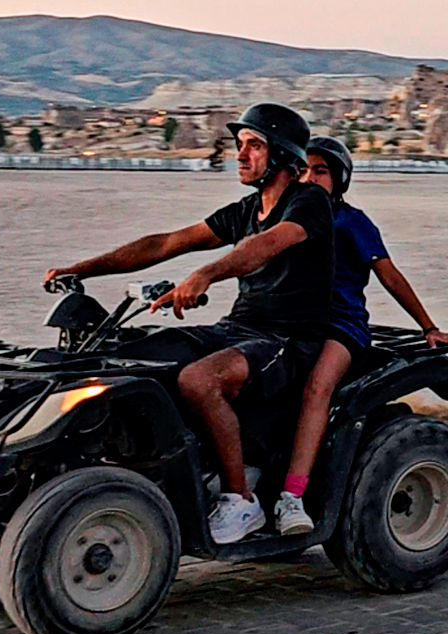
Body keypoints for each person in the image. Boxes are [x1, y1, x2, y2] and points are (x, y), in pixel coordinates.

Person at [45, 103, 334, 544]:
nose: (240, 155)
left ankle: (241, 501)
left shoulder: (308, 201)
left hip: (287, 342)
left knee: (200, 380)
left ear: (282, 157)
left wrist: (206, 274)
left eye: (254, 146)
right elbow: (167, 243)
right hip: (238, 329)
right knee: (132, 355)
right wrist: (81, 270)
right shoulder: (246, 209)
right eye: (240, 145)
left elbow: (266, 246)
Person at [274, 136, 448, 535]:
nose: (309, 177)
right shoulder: (285, 219)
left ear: (339, 179)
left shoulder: (351, 222)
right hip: (294, 323)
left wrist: (428, 326)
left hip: (341, 325)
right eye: (303, 170)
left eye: (320, 171)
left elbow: (388, 274)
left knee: (317, 388)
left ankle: (292, 497)